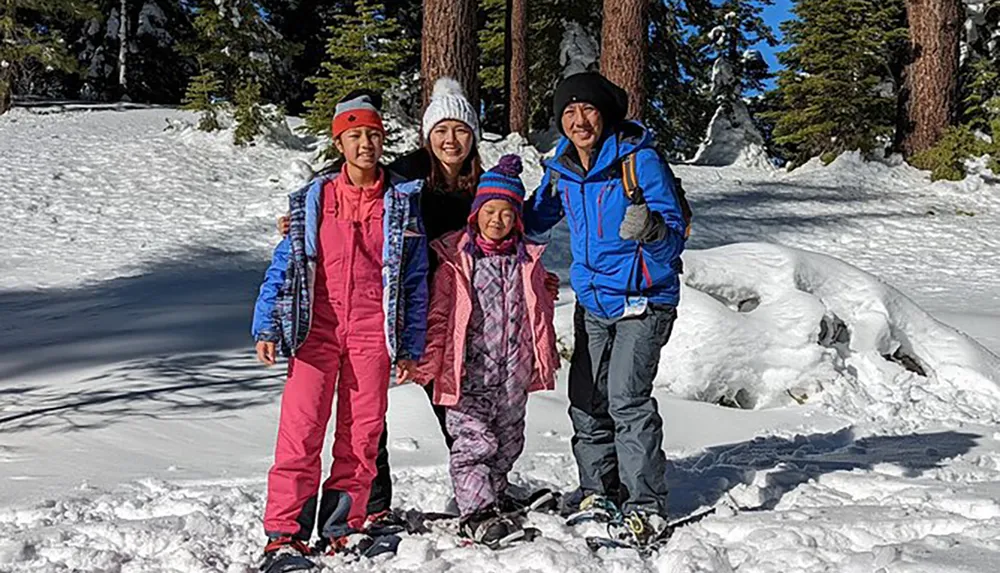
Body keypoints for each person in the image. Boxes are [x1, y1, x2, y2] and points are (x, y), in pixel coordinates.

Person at [251, 90, 428, 565]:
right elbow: (286, 262)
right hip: (316, 331)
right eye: (355, 136)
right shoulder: (313, 198)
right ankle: (284, 534)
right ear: (340, 143)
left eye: (372, 134)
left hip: (373, 332)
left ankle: (342, 527)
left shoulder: (402, 201)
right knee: (300, 431)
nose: (365, 144)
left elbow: (414, 279)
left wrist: (410, 346)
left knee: (362, 435)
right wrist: (268, 324)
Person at [523, 72, 687, 546]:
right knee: (588, 402)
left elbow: (675, 235)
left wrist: (652, 229)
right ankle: (599, 491)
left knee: (626, 400)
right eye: (569, 113)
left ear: (605, 113)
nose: (579, 120)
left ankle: (645, 504)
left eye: (588, 110)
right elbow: (536, 220)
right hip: (592, 301)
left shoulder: (639, 161)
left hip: (644, 299)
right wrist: (503, 196)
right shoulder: (564, 167)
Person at [416, 155, 559, 547]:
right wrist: (426, 362)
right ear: (475, 214)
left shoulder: (526, 260)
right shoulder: (457, 261)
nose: (497, 220)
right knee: (473, 442)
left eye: (507, 213)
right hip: (469, 374)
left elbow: (539, 310)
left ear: (517, 219)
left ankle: (495, 494)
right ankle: (476, 510)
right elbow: (440, 317)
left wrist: (546, 296)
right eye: (489, 211)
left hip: (513, 373)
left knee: (509, 439)